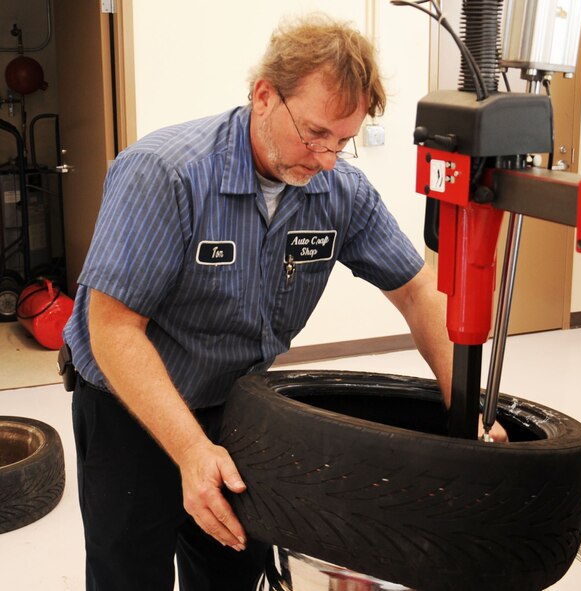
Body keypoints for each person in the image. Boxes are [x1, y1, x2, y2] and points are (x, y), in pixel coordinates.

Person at [63, 14, 507, 591]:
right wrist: (192, 451)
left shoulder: (338, 191)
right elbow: (114, 328)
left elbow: (417, 288)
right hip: (128, 406)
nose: (326, 157)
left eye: (342, 142)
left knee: (231, 568)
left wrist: (462, 402)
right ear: (264, 95)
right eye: (315, 133)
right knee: (129, 573)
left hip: (237, 409)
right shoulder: (166, 173)